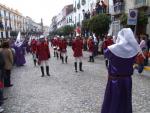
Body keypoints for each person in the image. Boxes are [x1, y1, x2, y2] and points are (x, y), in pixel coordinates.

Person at [101, 28, 141, 113]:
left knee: (113, 100)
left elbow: (105, 53)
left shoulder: (112, 49)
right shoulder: (133, 50)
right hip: (127, 80)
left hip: (114, 80)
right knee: (125, 100)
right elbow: (136, 61)